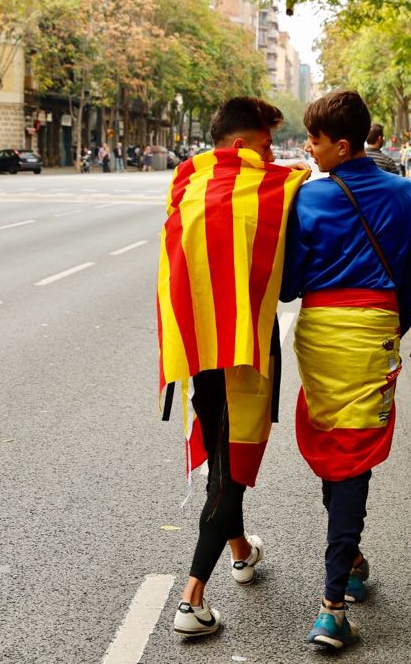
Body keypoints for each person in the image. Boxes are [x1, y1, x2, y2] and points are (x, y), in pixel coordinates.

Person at [158, 97, 310, 639]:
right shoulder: (270, 190)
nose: (273, 156)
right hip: (246, 346)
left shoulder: (186, 182)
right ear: (243, 145)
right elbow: (289, 205)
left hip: (197, 344)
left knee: (223, 448)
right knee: (234, 464)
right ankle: (191, 597)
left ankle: (241, 551)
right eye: (266, 145)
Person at [281, 90, 411, 650]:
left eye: (315, 140)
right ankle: (333, 602)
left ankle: (343, 575)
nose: (309, 149)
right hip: (373, 334)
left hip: (320, 335)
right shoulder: (404, 194)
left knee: (333, 445)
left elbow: (291, 284)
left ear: (342, 146)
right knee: (355, 453)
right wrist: (388, 325)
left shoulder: (309, 200)